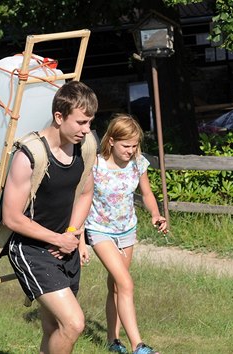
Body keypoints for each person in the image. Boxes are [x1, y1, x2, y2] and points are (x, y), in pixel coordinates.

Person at [3, 80, 98, 354]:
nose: (87, 130)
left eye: (90, 122)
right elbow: (11, 218)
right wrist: (57, 239)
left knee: (55, 328)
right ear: (59, 117)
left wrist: (71, 232)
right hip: (30, 248)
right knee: (74, 323)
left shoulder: (85, 147)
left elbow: (85, 193)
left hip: (64, 245)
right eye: (81, 122)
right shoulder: (29, 156)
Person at [84, 114, 167, 354]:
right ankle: (138, 346)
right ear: (111, 140)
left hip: (127, 230)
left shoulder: (138, 163)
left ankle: (113, 340)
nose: (130, 151)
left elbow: (147, 193)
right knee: (126, 283)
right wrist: (79, 239)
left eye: (134, 145)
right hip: (99, 230)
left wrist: (155, 213)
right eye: (126, 146)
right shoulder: (95, 165)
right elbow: (80, 199)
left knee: (117, 287)